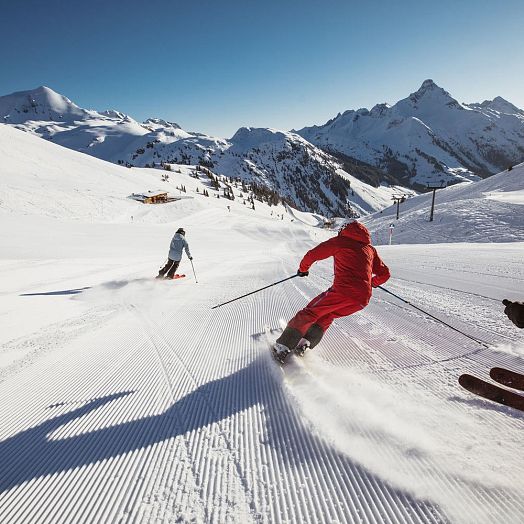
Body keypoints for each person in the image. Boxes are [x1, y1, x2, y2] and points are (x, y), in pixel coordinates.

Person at [273, 221, 390, 363]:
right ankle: (305, 343)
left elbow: (313, 254)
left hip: (343, 291)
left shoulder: (341, 241)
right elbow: (385, 274)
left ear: (344, 230)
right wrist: (371, 283)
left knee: (310, 312)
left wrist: (303, 269)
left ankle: (282, 346)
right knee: (328, 314)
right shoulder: (369, 249)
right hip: (363, 299)